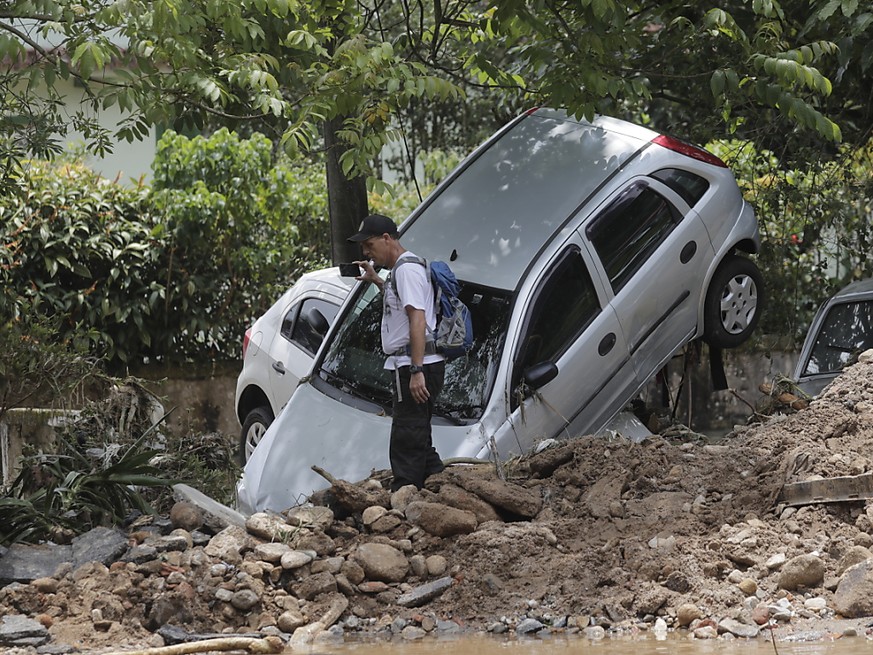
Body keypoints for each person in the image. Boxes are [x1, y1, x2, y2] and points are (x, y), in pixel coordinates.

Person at [347, 213, 445, 492]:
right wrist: (377, 280)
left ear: (387, 239)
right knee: (418, 435)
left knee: (406, 436)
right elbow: (403, 307)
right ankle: (438, 484)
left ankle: (405, 496)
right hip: (417, 362)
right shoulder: (400, 271)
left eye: (369, 244)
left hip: (416, 364)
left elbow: (417, 319)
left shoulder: (407, 270)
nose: (366, 251)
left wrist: (415, 370)